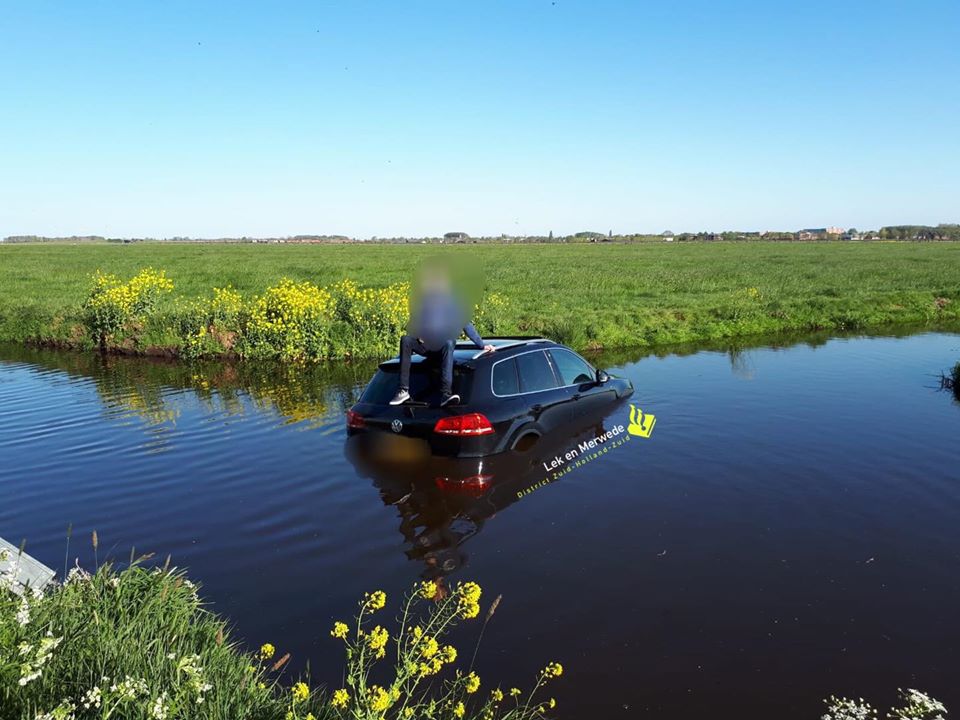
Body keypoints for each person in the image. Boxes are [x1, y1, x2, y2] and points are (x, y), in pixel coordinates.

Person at [390, 268, 494, 406]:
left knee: (449, 341)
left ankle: (445, 394)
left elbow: (466, 324)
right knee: (406, 340)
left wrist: (482, 345)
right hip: (426, 346)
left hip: (442, 349)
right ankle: (403, 390)